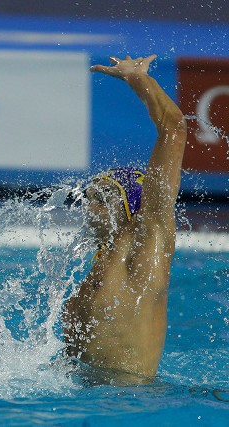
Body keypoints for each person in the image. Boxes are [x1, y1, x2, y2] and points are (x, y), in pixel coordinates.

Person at [62, 54, 187, 383]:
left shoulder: (148, 241)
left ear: (132, 209)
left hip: (131, 404)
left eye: (102, 200)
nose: (89, 209)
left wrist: (138, 79)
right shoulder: (98, 263)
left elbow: (174, 128)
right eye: (89, 199)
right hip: (88, 404)